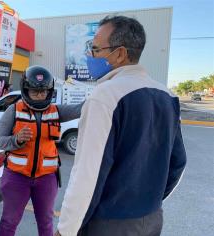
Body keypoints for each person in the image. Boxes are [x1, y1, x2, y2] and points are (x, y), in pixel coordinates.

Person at [55, 15, 187, 236]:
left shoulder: (105, 96)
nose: (89, 55)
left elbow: (87, 175)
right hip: (152, 219)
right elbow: (178, 163)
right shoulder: (168, 96)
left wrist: (66, 230)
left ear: (120, 54)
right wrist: (149, 202)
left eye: (95, 49)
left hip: (109, 224)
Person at [0, 65, 83, 236]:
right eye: (35, 92)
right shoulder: (13, 110)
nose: (40, 95)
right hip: (16, 177)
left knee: (46, 222)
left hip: (46, 179)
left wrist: (106, 89)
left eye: (43, 92)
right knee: (9, 221)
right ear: (26, 90)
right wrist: (17, 139)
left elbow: (81, 108)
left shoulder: (56, 111)